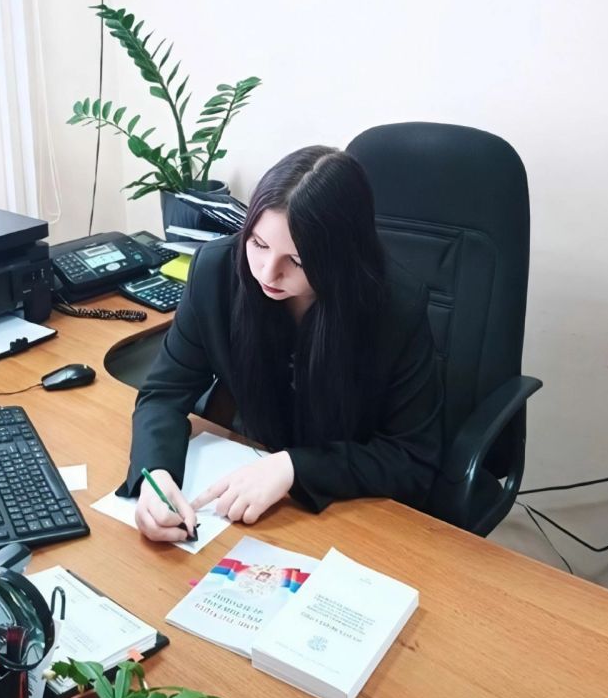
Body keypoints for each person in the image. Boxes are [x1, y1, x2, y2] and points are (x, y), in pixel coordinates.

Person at [118, 146, 443, 542]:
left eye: (298, 261)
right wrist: (155, 476)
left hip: (346, 507)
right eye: (258, 244)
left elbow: (412, 459)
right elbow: (163, 394)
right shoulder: (215, 273)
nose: (268, 273)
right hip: (246, 488)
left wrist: (293, 468)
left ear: (341, 258)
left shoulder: (395, 305)